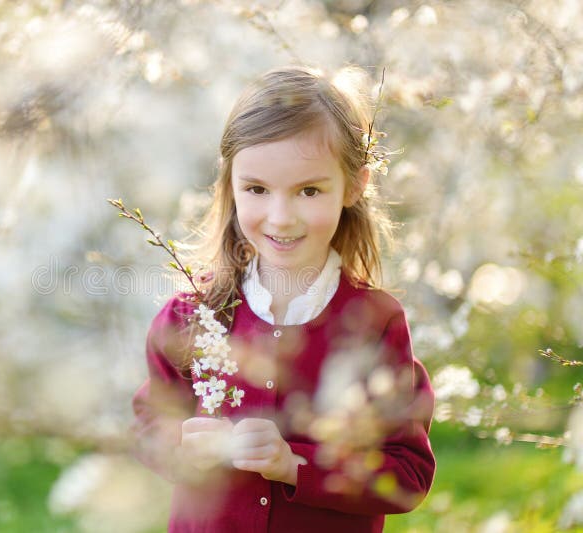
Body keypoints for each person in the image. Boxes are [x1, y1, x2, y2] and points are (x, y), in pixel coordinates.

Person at [130, 65, 435, 533]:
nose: (280, 216)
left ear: (355, 186)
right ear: (230, 186)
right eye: (256, 189)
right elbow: (151, 423)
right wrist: (182, 447)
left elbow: (407, 475)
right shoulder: (192, 315)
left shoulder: (374, 323)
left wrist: (294, 464)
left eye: (308, 190)